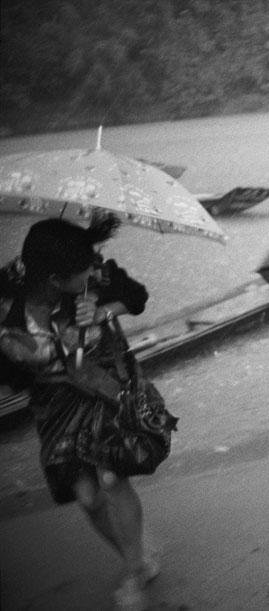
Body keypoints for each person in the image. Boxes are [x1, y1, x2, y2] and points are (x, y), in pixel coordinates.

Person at [0, 215, 158, 611]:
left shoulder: (94, 276)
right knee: (87, 497)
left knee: (111, 476)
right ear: (54, 279)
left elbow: (137, 296)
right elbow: (14, 372)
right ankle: (133, 555)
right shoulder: (6, 301)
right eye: (84, 269)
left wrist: (103, 311)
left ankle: (136, 570)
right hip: (54, 402)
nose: (95, 269)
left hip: (105, 386)